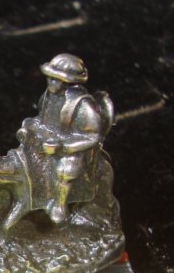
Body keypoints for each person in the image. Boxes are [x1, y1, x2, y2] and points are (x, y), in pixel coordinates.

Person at [19, 54, 112, 224]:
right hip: (46, 139)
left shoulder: (83, 105)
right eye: (50, 78)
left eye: (57, 80)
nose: (51, 82)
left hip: (72, 148)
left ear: (69, 82)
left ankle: (59, 203)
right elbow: (42, 119)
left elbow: (92, 136)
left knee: (65, 169)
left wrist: (63, 147)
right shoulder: (48, 96)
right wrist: (29, 126)